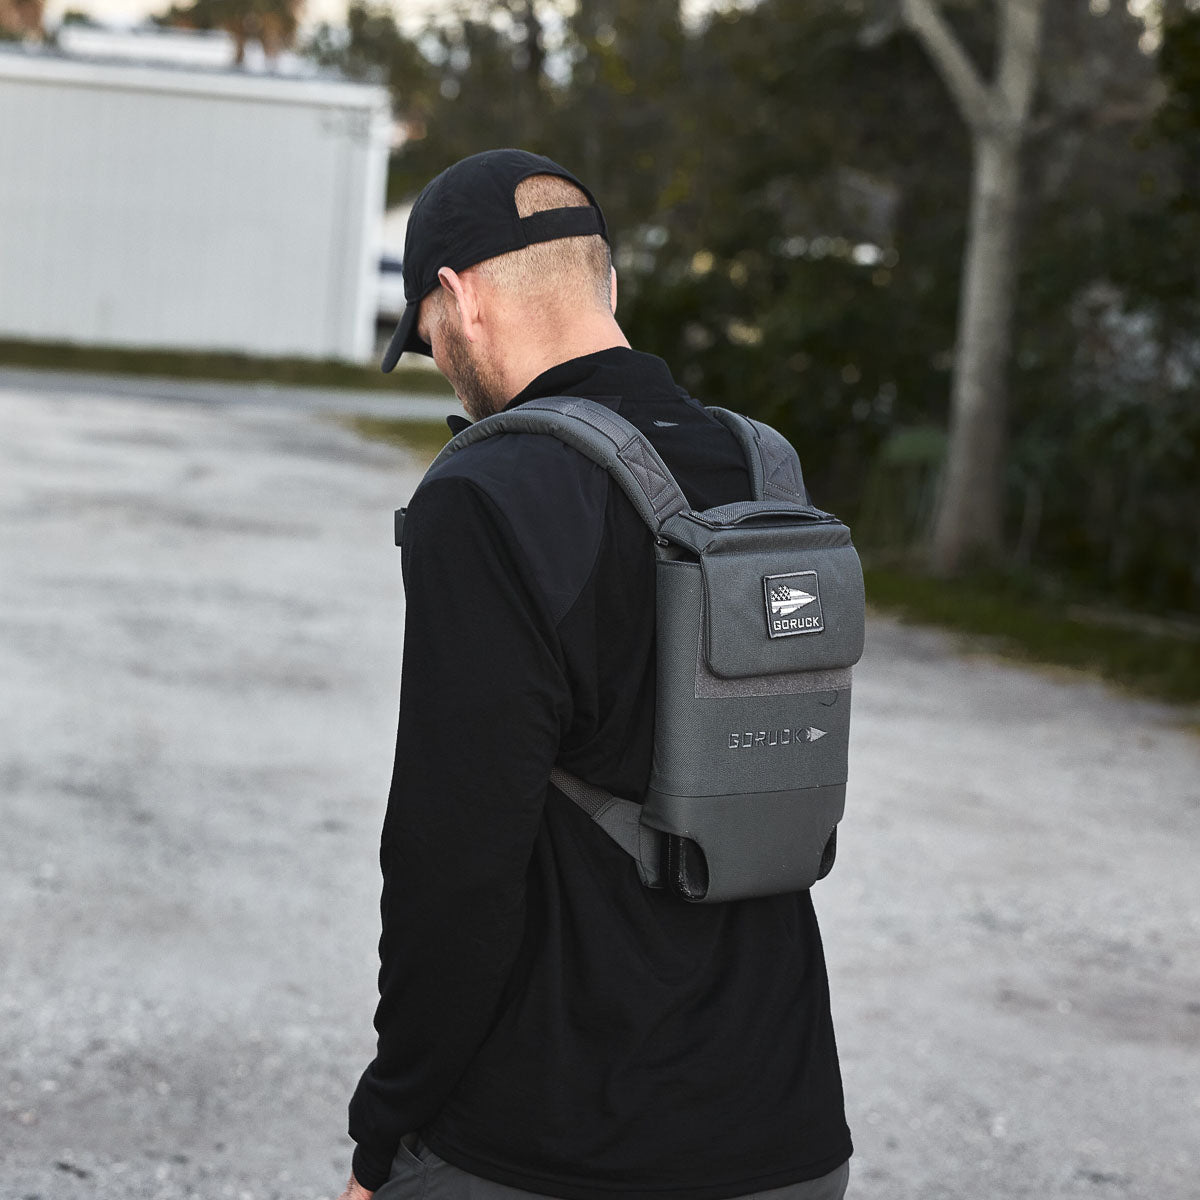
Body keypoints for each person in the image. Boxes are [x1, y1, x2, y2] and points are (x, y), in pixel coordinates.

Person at [338, 148, 852, 1200]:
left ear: (458, 298)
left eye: (428, 340)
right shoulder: (763, 468)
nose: (440, 362)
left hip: (552, 1143)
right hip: (786, 1127)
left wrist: (384, 1131)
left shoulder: (484, 493)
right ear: (606, 285)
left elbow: (454, 858)